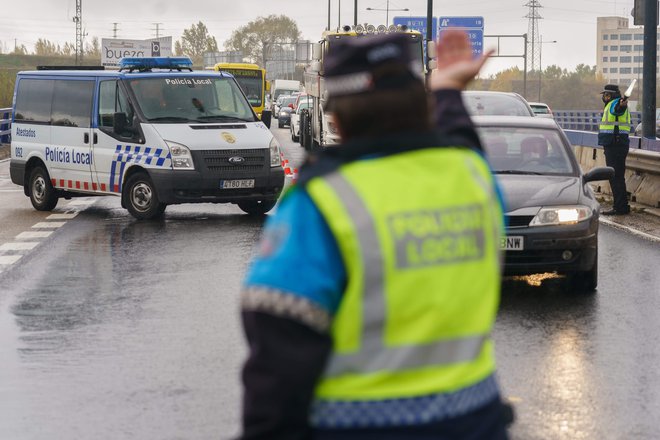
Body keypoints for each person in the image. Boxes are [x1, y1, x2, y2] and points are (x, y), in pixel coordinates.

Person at [238, 30, 510, 440]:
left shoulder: (323, 201)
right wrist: (449, 91)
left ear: (339, 116)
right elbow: (460, 140)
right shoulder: (472, 177)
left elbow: (278, 350)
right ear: (420, 104)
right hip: (476, 422)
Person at [598, 83, 631, 215]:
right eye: (604, 95)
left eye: (607, 95)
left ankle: (620, 207)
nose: (605, 98)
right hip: (616, 144)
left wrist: (621, 105)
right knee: (618, 176)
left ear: (612, 95)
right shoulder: (610, 104)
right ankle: (622, 205)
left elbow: (619, 109)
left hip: (615, 144)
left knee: (615, 176)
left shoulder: (616, 103)